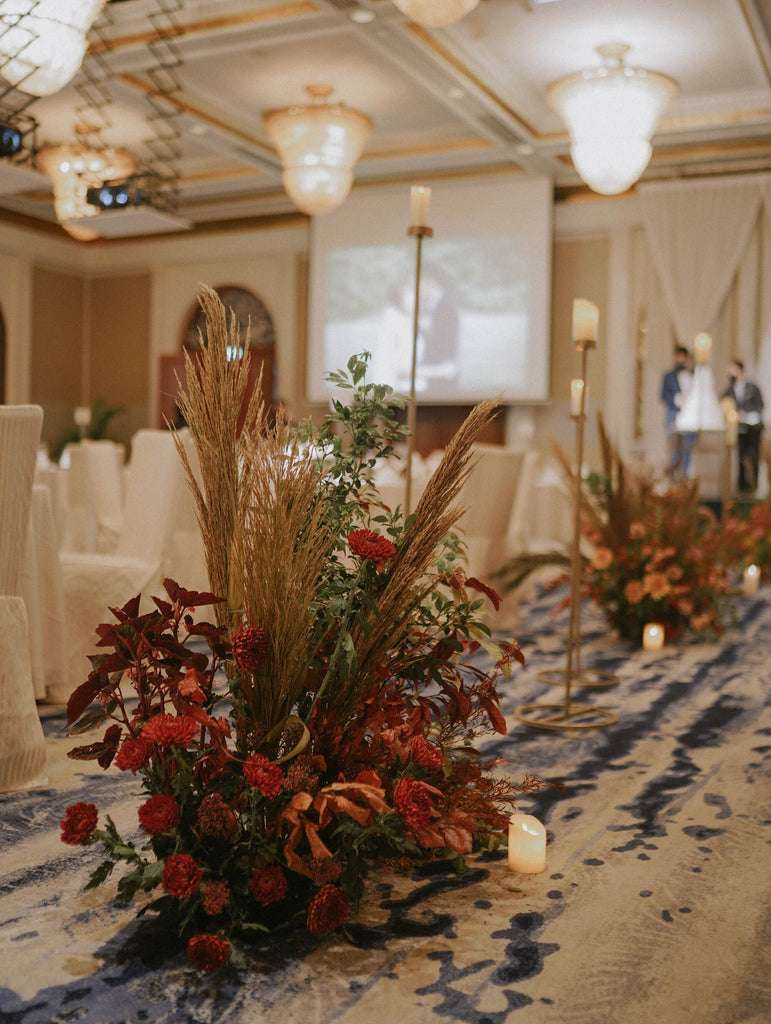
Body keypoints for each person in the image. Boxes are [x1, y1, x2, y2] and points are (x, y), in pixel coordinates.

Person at [722, 359, 764, 494]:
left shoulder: (752, 388)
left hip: (752, 428)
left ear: (739, 369)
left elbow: (759, 405)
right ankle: (742, 487)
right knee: (740, 456)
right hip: (738, 428)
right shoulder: (729, 390)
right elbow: (724, 404)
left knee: (752, 455)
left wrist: (749, 415)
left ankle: (753, 485)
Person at [660, 345, 696, 480]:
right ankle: (672, 477)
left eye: (683, 357)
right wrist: (675, 400)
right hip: (673, 414)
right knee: (673, 448)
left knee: (687, 447)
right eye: (678, 356)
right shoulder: (668, 376)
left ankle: (685, 476)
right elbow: (663, 395)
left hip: (689, 416)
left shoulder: (691, 376)